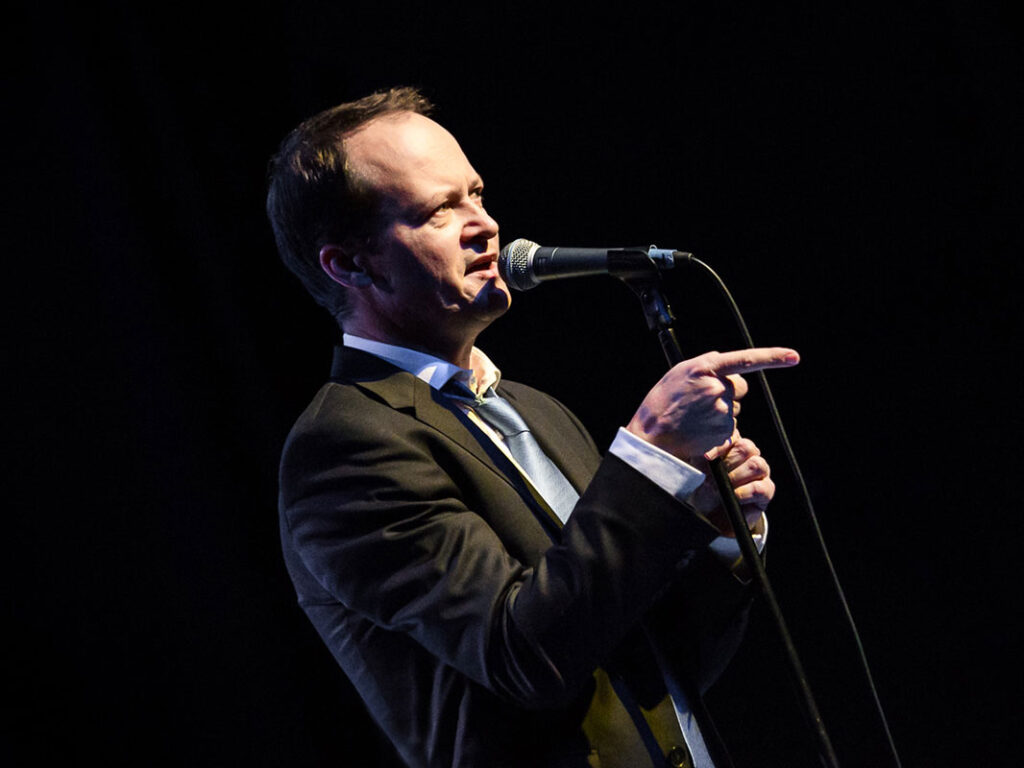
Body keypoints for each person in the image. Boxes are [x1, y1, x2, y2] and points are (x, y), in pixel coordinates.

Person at [266, 86, 799, 768]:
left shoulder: (532, 409)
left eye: (476, 194)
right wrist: (649, 456)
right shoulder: (345, 446)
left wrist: (720, 537)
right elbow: (523, 658)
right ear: (348, 264)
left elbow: (648, 666)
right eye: (437, 210)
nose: (485, 224)